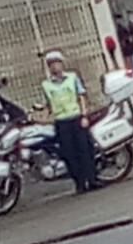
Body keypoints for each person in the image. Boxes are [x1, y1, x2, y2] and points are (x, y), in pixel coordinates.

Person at [41, 50, 102, 194]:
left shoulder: (72, 77)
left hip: (76, 118)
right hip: (61, 122)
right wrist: (44, 117)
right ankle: (79, 184)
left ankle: (92, 179)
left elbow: (81, 96)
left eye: (57, 63)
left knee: (85, 150)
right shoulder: (46, 84)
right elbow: (48, 104)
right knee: (69, 154)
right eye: (52, 64)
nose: (55, 66)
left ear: (62, 64)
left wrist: (84, 115)